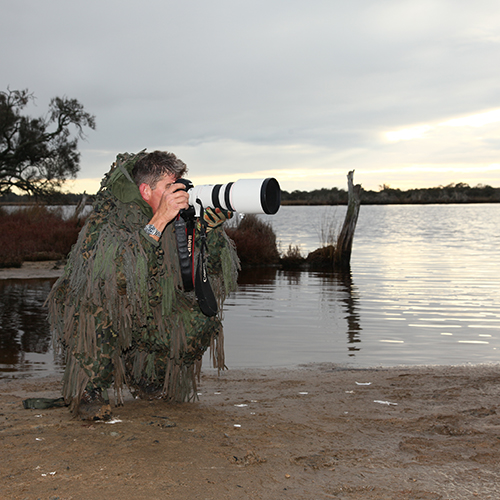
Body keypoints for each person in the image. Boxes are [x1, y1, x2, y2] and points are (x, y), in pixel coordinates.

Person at [47, 150, 239, 420]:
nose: (180, 193)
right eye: (170, 187)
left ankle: (146, 376)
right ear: (145, 190)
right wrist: (159, 220)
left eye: (181, 185)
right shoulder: (109, 220)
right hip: (98, 307)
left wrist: (210, 232)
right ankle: (88, 391)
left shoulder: (181, 219)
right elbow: (116, 279)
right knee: (96, 304)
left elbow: (212, 275)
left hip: (147, 309)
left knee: (199, 317)